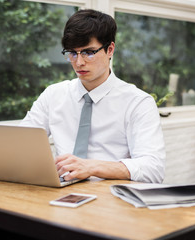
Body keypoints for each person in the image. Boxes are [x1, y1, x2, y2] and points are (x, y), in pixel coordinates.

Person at [20, 9, 165, 183]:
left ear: (110, 49)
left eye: (88, 52)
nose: (79, 62)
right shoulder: (53, 94)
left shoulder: (138, 102)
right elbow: (22, 143)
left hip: (110, 199)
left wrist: (92, 167)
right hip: (61, 192)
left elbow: (153, 169)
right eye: (72, 53)